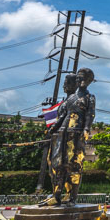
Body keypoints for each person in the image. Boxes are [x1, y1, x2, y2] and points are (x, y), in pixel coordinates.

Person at [42, 69, 96, 206]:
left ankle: (72, 197)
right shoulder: (70, 99)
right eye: (79, 78)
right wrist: (52, 128)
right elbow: (62, 116)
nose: (80, 81)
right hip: (62, 134)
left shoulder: (89, 98)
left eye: (83, 79)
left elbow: (90, 115)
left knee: (74, 165)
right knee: (56, 165)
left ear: (89, 81)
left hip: (76, 134)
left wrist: (86, 129)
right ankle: (56, 195)